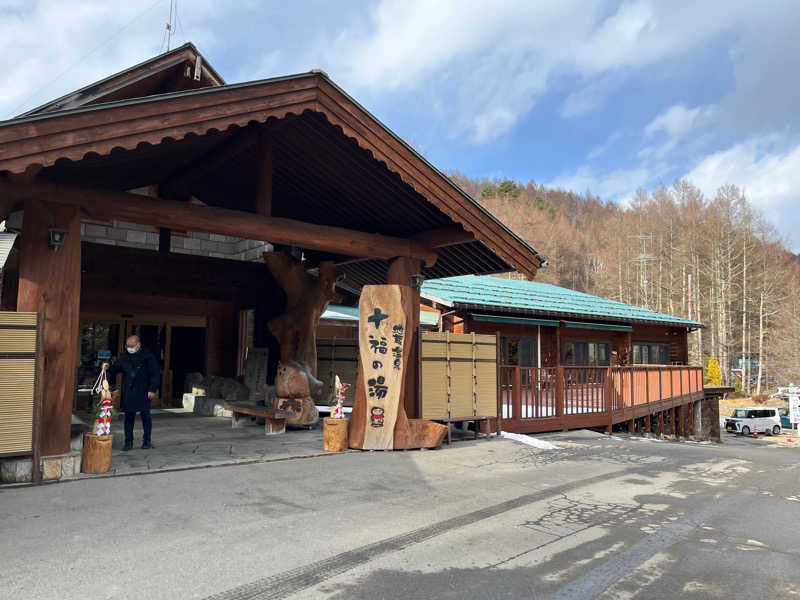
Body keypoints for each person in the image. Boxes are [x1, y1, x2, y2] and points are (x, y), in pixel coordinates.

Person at [103, 335, 160, 451]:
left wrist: (152, 389)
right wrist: (108, 367)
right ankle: (128, 442)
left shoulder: (148, 356)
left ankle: (147, 441)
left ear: (138, 345)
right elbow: (116, 368)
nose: (129, 348)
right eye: (127, 346)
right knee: (129, 417)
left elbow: (155, 373)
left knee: (146, 416)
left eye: (131, 346)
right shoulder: (124, 356)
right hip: (129, 389)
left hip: (144, 390)